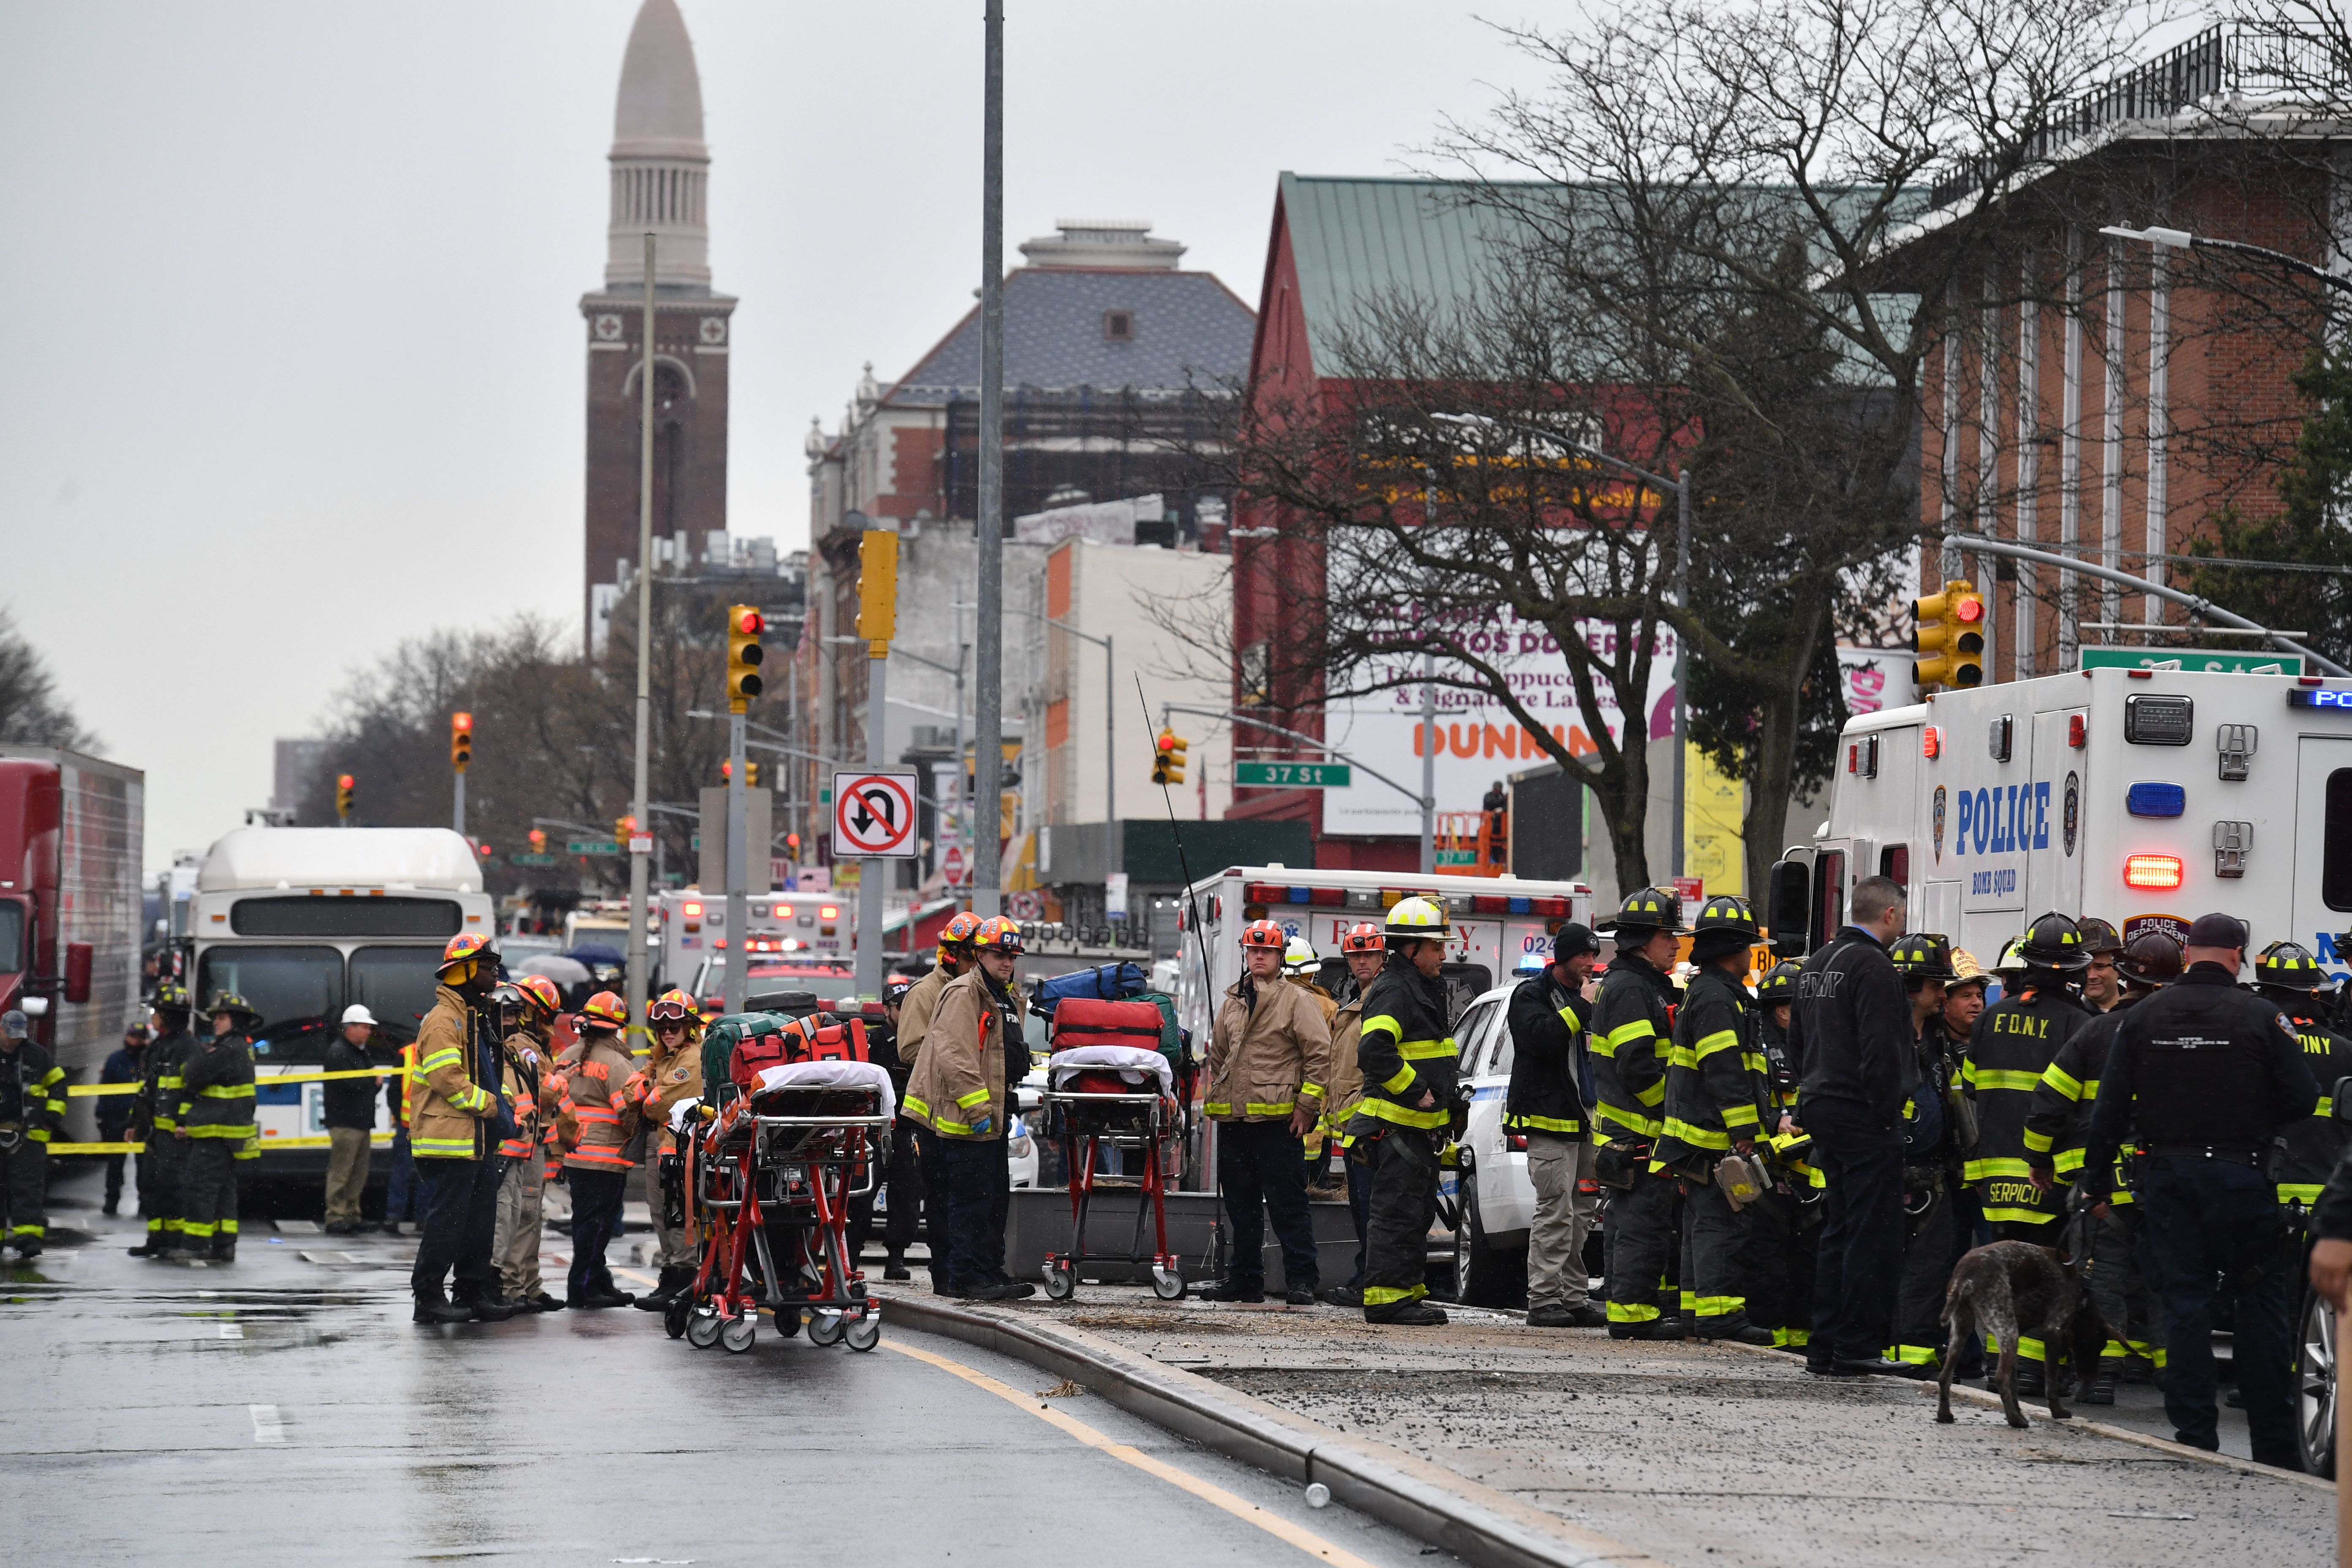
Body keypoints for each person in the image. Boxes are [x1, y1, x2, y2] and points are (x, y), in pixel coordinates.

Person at [2082, 913, 2317, 1468]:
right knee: (2259, 1304)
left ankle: (2195, 1437)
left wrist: (2094, 1183)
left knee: (2183, 1305)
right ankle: (2274, 1446)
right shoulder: (2263, 1017)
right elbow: (2304, 1099)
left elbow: (2109, 1111)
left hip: (2169, 1180)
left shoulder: (2141, 1018)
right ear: (2236, 954)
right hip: (2242, 1179)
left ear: (2190, 955)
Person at [2023, 929, 2181, 1403]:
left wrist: (2039, 1158)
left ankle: (2102, 1376)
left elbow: (2048, 1102)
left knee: (2102, 1278)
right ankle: (2175, 1373)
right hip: (2170, 1183)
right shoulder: (2190, 1033)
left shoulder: (2095, 1032)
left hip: (2104, 1187)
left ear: (2125, 976)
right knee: (2169, 1279)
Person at [1789, 873, 1920, 1378]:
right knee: (1873, 1233)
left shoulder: (1818, 962)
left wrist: (1813, 1091)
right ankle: (1858, 1345)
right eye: (1902, 917)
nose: (1901, 925)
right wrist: (1886, 1115)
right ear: (1889, 915)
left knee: (1839, 1228)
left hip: (1823, 1105)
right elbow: (1883, 1051)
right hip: (1863, 1113)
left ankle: (1825, 1344)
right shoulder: (1875, 967)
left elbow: (1799, 1043)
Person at [1649, 896, 1776, 1345]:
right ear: (1734, 949)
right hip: (1715, 1135)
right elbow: (1725, 1070)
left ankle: (1695, 1314)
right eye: (1748, 947)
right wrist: (1744, 1132)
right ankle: (1720, 1316)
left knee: (1702, 1224)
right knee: (1723, 1223)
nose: (1752, 955)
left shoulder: (1711, 992)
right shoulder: (1719, 998)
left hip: (1699, 1134)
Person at [1201, 918, 1334, 1305]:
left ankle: (1302, 1281)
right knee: (1241, 1207)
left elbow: (1319, 1055)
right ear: (1247, 954)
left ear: (1279, 957)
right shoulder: (1232, 1002)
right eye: (1253, 951)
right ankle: (1245, 1280)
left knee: (1288, 1205)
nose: (1259, 957)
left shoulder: (1296, 1000)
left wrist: (1307, 1108)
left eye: (1267, 951)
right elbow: (1219, 1056)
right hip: (1236, 1121)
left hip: (1279, 1123)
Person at [903, 916, 1032, 1300]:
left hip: (991, 1115)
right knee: (969, 1202)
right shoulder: (964, 993)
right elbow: (955, 1054)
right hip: (963, 1117)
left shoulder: (1002, 994)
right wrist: (978, 1109)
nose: (1007, 962)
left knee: (992, 1201)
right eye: (998, 954)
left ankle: (988, 1271)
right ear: (979, 954)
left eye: (1011, 955)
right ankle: (965, 1277)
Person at [1348, 895, 1460, 1326]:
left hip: (1416, 1130)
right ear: (1412, 949)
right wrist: (1417, 1091)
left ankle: (1406, 1292)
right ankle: (1386, 1301)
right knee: (1397, 1212)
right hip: (1398, 1125)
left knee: (1414, 1212)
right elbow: (1374, 1050)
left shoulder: (1416, 986)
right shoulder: (1396, 989)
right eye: (1436, 946)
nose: (1443, 954)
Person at [1964, 912, 2095, 1250]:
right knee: (2046, 1286)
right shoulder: (2079, 1025)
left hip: (1996, 1184)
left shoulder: (1988, 1018)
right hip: (2049, 1182)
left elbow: (1969, 1089)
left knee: (2003, 1279)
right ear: (2076, 971)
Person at [1591, 887, 1687, 1340]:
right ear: (1643, 940)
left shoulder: (1633, 983)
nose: (1676, 944)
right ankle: (1633, 1316)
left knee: (1628, 1225)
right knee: (1640, 1227)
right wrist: (1671, 1110)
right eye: (1669, 935)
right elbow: (1637, 1065)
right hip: (1640, 1132)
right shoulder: (1631, 989)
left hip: (1628, 1133)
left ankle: (1628, 1309)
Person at [408, 934, 519, 1323]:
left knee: (479, 1224)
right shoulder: (444, 1020)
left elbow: (486, 1076)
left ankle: (471, 1294)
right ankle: (428, 1298)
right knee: (447, 1225)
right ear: (465, 970)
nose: (495, 975)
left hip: (475, 1141)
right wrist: (493, 1107)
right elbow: (448, 1079)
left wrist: (506, 1104)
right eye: (488, 968)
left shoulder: (475, 1017)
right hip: (448, 1142)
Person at [1509, 922, 1605, 1328]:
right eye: (1583, 956)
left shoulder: (1589, 997)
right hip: (1550, 1123)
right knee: (1556, 1211)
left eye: (1593, 956)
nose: (1590, 964)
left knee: (1582, 1214)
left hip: (1586, 1123)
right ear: (1564, 957)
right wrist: (1582, 1007)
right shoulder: (1531, 994)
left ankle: (1573, 1297)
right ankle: (1544, 1299)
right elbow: (1540, 1038)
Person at [1884, 933, 1962, 1372]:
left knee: (1931, 1266)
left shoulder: (1936, 1036)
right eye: (1936, 986)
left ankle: (1916, 1351)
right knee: (1887, 1260)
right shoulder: (1883, 1033)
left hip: (1932, 1170)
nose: (1943, 995)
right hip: (1890, 1166)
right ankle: (1890, 1345)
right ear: (1913, 987)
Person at [899, 910, 980, 1294]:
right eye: (971, 955)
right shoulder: (926, 993)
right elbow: (911, 1049)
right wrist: (953, 1051)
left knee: (969, 1197)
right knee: (940, 1194)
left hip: (969, 1108)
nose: (976, 963)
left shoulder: (981, 991)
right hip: (934, 1112)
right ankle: (943, 1272)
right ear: (952, 955)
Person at [553, 989, 644, 1311]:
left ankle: (598, 1281)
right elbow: (628, 1110)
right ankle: (583, 1288)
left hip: (574, 1154)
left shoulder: (565, 1056)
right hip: (606, 1157)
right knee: (597, 1227)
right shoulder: (616, 1064)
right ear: (616, 1027)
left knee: (585, 1223)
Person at [1751, 959, 1819, 1352]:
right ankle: (1773, 1340)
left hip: (1808, 1172)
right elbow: (1752, 1099)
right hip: (1769, 1172)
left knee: (1806, 1261)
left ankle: (1800, 1338)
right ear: (1782, 1010)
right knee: (1768, 1260)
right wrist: (1778, 1119)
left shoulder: (1810, 1045)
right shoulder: (1761, 1048)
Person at [1315, 922, 1383, 1308]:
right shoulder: (1354, 1003)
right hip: (1356, 1130)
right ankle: (1366, 1277)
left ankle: (1369, 1280)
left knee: (1372, 1209)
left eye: (1369, 954)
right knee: (1362, 1208)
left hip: (1373, 1127)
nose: (1362, 961)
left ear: (1382, 957)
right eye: (1356, 955)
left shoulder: (1380, 1000)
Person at [492, 975, 565, 1312]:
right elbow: (546, 1090)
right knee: (521, 1215)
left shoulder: (530, 1043)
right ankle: (513, 1286)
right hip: (521, 1142)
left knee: (530, 1215)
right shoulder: (521, 1044)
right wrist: (561, 1083)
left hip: (534, 1141)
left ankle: (528, 1284)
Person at [634, 986, 705, 1311]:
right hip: (662, 1146)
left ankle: (683, 1279)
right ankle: (672, 1275)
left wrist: (647, 1090)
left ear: (689, 1026)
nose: (667, 1032)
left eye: (673, 1027)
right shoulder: (664, 1058)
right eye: (661, 1028)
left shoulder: (690, 1060)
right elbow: (634, 1092)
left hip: (678, 1148)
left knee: (679, 1216)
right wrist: (648, 1089)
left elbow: (656, 1106)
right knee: (662, 1215)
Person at [177, 993, 260, 1263]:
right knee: (224, 1189)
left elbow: (191, 1075)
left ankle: (195, 1244)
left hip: (216, 1132)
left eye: (221, 1018)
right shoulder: (240, 1047)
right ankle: (224, 1245)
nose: (216, 1023)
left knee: (200, 1187)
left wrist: (196, 1062)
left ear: (235, 1021)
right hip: (228, 1134)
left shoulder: (227, 1050)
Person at [130, 983, 197, 1258]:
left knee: (173, 1187)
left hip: (175, 1137)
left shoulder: (188, 1049)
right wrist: (134, 1122)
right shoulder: (159, 1047)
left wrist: (183, 1121)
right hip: (156, 1134)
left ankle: (174, 1239)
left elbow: (193, 1090)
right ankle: (156, 1238)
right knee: (150, 1185)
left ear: (169, 1016)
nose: (153, 1017)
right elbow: (149, 1089)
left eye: (158, 1012)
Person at [867, 973, 926, 1281]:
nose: (907, 1013)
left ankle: (897, 1258)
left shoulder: (920, 1042)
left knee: (907, 1196)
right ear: (887, 1009)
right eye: (901, 1006)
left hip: (906, 1131)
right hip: (873, 1130)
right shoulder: (873, 1042)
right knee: (862, 1195)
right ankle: (850, 1256)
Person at [0, 1010, 64, 1258]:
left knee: (27, 1189)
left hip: (29, 1137)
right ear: (1, 1030)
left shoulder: (37, 1056)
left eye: (19, 1037)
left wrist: (51, 1118)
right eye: (11, 1036)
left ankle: (29, 1239)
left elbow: (59, 1085)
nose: (15, 1041)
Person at [321, 1004, 379, 1235]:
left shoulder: (360, 1052)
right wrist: (371, 1083)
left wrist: (370, 1085)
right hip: (345, 1122)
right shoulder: (339, 1053)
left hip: (361, 1122)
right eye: (364, 1027)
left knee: (358, 1172)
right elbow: (350, 1085)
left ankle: (352, 1215)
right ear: (350, 1028)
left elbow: (364, 1084)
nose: (368, 1032)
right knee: (342, 1171)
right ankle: (336, 1216)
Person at [97, 1026, 147, 1219]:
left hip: (142, 1121)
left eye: (140, 1038)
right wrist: (101, 1116)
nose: (136, 1041)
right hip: (116, 1118)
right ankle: (111, 1201)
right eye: (133, 1036)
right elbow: (105, 1089)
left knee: (144, 1166)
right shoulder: (115, 1060)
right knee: (115, 1164)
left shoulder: (148, 1060)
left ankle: (145, 1202)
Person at [382, 1037, 425, 1239]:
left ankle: (403, 1217)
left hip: (422, 1128)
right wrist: (401, 1119)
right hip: (414, 1127)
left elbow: (393, 1093)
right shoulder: (406, 1055)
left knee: (421, 1174)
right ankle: (401, 1217)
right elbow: (394, 1092)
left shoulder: (408, 1054)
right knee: (410, 1173)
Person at [2077, 918, 2124, 1013]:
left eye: (2100, 967)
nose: (2092, 976)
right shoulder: (2071, 1019)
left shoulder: (2139, 1014)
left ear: (2118, 969)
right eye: (2085, 969)